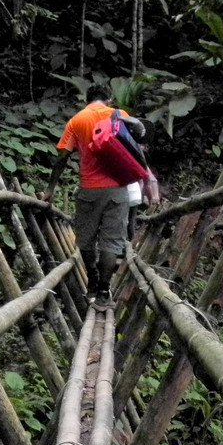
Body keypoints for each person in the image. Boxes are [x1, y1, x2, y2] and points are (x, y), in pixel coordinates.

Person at [42, 84, 154, 303]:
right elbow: (136, 146)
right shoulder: (120, 115)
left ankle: (92, 283)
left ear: (88, 99)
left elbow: (62, 158)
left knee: (85, 239)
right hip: (118, 189)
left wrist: (50, 188)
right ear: (109, 99)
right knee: (112, 242)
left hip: (89, 189)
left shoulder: (76, 120)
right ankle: (104, 290)